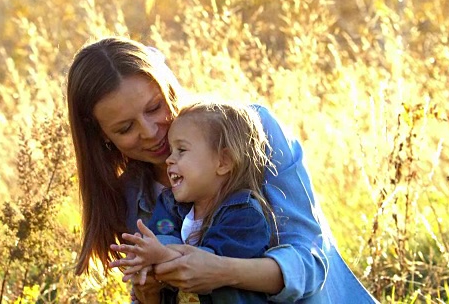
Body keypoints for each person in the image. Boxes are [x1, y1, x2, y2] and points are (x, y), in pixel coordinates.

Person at [66, 36, 377, 303]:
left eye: (154, 107)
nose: (149, 131)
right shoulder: (131, 195)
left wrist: (220, 270)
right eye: (125, 128)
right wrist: (149, 293)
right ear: (102, 136)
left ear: (169, 88)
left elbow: (310, 263)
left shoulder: (253, 132)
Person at [110, 101, 276, 303]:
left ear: (223, 162)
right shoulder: (172, 205)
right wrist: (144, 257)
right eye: (171, 151)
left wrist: (160, 255)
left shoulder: (244, 214)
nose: (169, 159)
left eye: (181, 150)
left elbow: (208, 265)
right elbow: (159, 238)